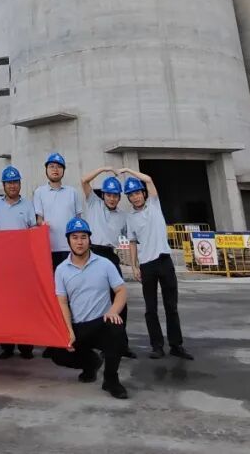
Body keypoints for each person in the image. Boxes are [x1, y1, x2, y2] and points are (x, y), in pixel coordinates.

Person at [51, 217, 129, 400]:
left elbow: (121, 290)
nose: (79, 242)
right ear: (68, 240)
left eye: (83, 237)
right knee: (56, 353)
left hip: (101, 323)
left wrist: (113, 311)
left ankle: (111, 379)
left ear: (89, 239)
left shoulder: (105, 264)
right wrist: (69, 330)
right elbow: (62, 301)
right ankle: (91, 364)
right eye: (75, 237)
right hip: (78, 326)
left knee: (116, 329)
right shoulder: (61, 270)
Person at [122, 168, 193, 360]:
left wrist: (128, 170)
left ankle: (176, 345)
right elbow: (132, 242)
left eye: (137, 193)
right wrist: (134, 266)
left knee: (171, 306)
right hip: (147, 265)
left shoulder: (154, 204)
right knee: (150, 308)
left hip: (164, 261)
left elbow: (149, 179)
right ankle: (157, 346)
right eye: (131, 195)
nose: (135, 197)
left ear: (143, 193)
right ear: (128, 198)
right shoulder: (130, 217)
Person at [80, 168, 135, 358]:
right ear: (103, 195)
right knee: (94, 299)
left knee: (119, 299)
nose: (112, 198)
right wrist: (104, 169)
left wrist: (135, 264)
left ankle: (121, 344)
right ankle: (97, 344)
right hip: (93, 253)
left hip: (110, 256)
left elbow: (132, 238)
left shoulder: (123, 216)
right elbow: (84, 181)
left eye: (115, 195)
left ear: (119, 197)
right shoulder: (94, 204)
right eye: (109, 195)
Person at [0, 165, 37, 360]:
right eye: (9, 182)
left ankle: (26, 346)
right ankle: (7, 346)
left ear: (20, 184)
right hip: (2, 264)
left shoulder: (28, 206)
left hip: (23, 264)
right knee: (5, 306)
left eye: (15, 182)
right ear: (3, 185)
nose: (12, 186)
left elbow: (34, 232)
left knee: (25, 306)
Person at [33, 152, 82, 270]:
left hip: (70, 247)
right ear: (46, 170)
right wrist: (42, 224)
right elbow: (39, 220)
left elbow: (78, 220)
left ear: (63, 170)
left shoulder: (72, 192)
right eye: (52, 166)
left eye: (59, 166)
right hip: (49, 247)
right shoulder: (39, 192)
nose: (55, 169)